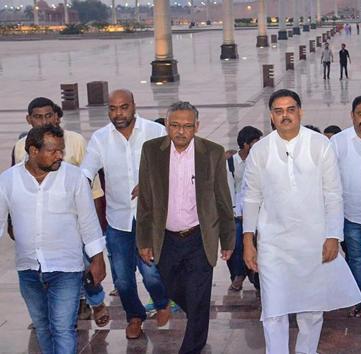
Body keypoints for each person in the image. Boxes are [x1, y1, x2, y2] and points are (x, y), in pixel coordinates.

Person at [242, 89, 361, 354]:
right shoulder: (260, 151)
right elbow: (250, 199)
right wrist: (248, 241)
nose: (285, 116)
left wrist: (333, 235)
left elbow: (333, 193)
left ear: (300, 112)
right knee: (274, 310)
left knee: (311, 310)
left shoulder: (320, 145)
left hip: (314, 242)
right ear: (271, 116)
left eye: (290, 109)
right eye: (278, 111)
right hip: (274, 245)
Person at [136, 102, 235, 354]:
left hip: (199, 237)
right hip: (165, 238)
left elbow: (223, 199)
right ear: (167, 125)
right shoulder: (151, 151)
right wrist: (143, 240)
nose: (181, 131)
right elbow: (146, 199)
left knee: (199, 296)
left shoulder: (212, 153)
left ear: (197, 127)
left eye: (187, 126)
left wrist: (228, 240)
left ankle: (192, 346)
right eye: (175, 125)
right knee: (172, 288)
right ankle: (198, 314)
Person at [0, 124, 106, 354]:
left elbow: (87, 221)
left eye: (61, 150)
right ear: (33, 150)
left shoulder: (74, 177)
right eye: (53, 151)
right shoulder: (8, 180)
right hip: (28, 268)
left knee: (62, 328)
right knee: (42, 327)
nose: (60, 155)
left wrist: (98, 259)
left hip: (66, 268)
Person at [11, 97, 110, 326]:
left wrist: (95, 226)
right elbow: (12, 184)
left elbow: (92, 187)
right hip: (39, 224)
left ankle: (96, 301)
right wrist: (11, 222)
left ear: (57, 117)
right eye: (38, 117)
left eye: (49, 116)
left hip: (73, 221)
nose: (44, 120)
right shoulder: (20, 146)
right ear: (29, 120)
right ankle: (57, 311)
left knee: (86, 264)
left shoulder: (75, 142)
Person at [81, 89, 170, 339]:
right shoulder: (100, 139)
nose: (118, 114)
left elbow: (173, 163)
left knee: (151, 273)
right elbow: (87, 171)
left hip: (149, 219)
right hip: (118, 221)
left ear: (134, 106)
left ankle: (162, 301)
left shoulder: (155, 131)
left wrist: (151, 182)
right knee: (122, 280)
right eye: (113, 108)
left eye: (123, 107)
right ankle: (134, 316)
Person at [330, 95, 361, 318]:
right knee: (356, 259)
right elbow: (329, 179)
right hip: (350, 214)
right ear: (352, 116)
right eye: (360, 114)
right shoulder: (338, 142)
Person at [226, 126, 263, 292]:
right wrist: (236, 212)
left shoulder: (260, 161)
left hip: (256, 211)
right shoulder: (230, 163)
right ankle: (239, 274)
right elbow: (228, 189)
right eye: (256, 142)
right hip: (237, 212)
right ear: (246, 145)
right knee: (236, 241)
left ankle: (251, 276)